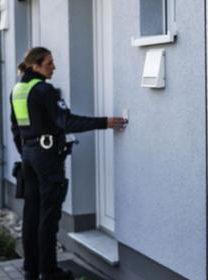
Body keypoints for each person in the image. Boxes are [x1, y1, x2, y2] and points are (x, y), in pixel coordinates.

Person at [10, 47, 126, 280]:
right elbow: (66, 122)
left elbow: (15, 128)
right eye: (49, 63)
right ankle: (50, 271)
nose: (54, 67)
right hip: (46, 157)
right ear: (36, 66)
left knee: (32, 215)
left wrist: (26, 153)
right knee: (49, 216)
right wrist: (105, 122)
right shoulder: (44, 90)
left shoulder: (18, 89)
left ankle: (31, 270)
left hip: (29, 156)